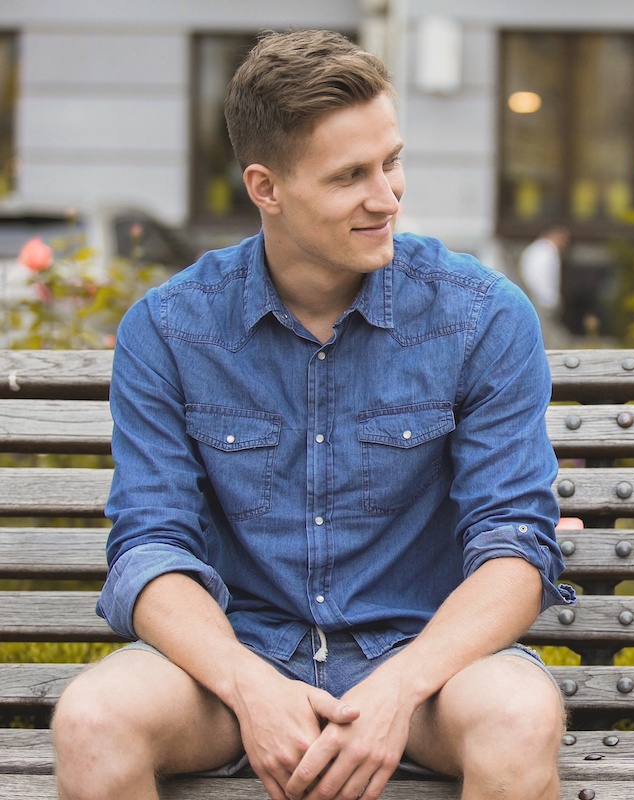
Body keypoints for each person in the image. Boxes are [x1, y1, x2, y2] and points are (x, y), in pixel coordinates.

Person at [52, 29, 573, 800]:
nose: (386, 197)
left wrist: (399, 688)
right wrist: (247, 684)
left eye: (391, 162)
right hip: (236, 665)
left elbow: (516, 546)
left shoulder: (481, 317)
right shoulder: (170, 329)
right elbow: (149, 547)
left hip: (427, 669)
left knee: (521, 717)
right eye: (349, 176)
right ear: (266, 187)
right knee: (92, 723)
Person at [518, 226, 571, 347]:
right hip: (542, 302)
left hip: (538, 300)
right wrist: (549, 300)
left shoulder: (537, 250)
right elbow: (542, 278)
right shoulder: (545, 251)